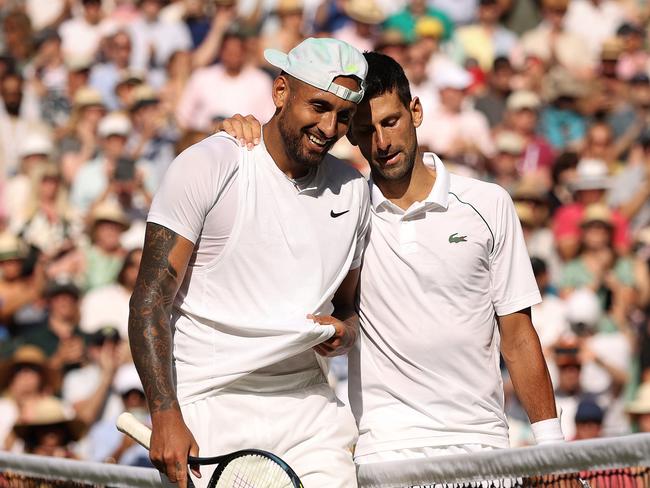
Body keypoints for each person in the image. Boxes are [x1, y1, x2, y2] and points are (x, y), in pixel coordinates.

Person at [222, 51, 563, 466]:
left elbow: (517, 334)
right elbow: (276, 177)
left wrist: (553, 450)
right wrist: (246, 135)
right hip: (384, 454)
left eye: (390, 122)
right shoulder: (342, 208)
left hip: (481, 444)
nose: (381, 143)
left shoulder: (489, 205)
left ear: (415, 111)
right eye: (365, 130)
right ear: (349, 136)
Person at [128, 37, 370, 488]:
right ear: (281, 93)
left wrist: (347, 332)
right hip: (210, 407)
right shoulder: (208, 164)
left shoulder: (353, 189)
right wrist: (164, 414)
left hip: (312, 414)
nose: (329, 126)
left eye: (343, 116)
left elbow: (351, 305)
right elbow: (149, 299)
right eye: (318, 106)